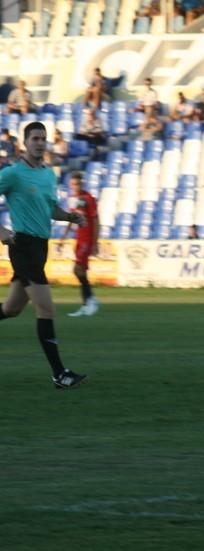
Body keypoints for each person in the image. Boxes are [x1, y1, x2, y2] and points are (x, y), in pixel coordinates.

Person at [0, 122, 87, 388]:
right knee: (46, 308)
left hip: (40, 248)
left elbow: (50, 209)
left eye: (43, 138)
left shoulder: (49, 175)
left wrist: (70, 216)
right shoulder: (13, 173)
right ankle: (60, 374)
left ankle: (60, 374)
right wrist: (2, 231)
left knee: (11, 309)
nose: (40, 142)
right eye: (35, 138)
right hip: (22, 246)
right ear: (25, 143)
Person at [58, 172, 100, 317]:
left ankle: (89, 301)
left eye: (79, 184)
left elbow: (95, 221)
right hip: (79, 238)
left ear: (83, 183)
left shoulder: (89, 199)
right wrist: (63, 237)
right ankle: (88, 302)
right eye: (74, 184)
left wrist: (95, 243)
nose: (76, 186)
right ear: (70, 185)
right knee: (81, 271)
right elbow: (72, 218)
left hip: (87, 239)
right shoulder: (73, 199)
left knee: (77, 270)